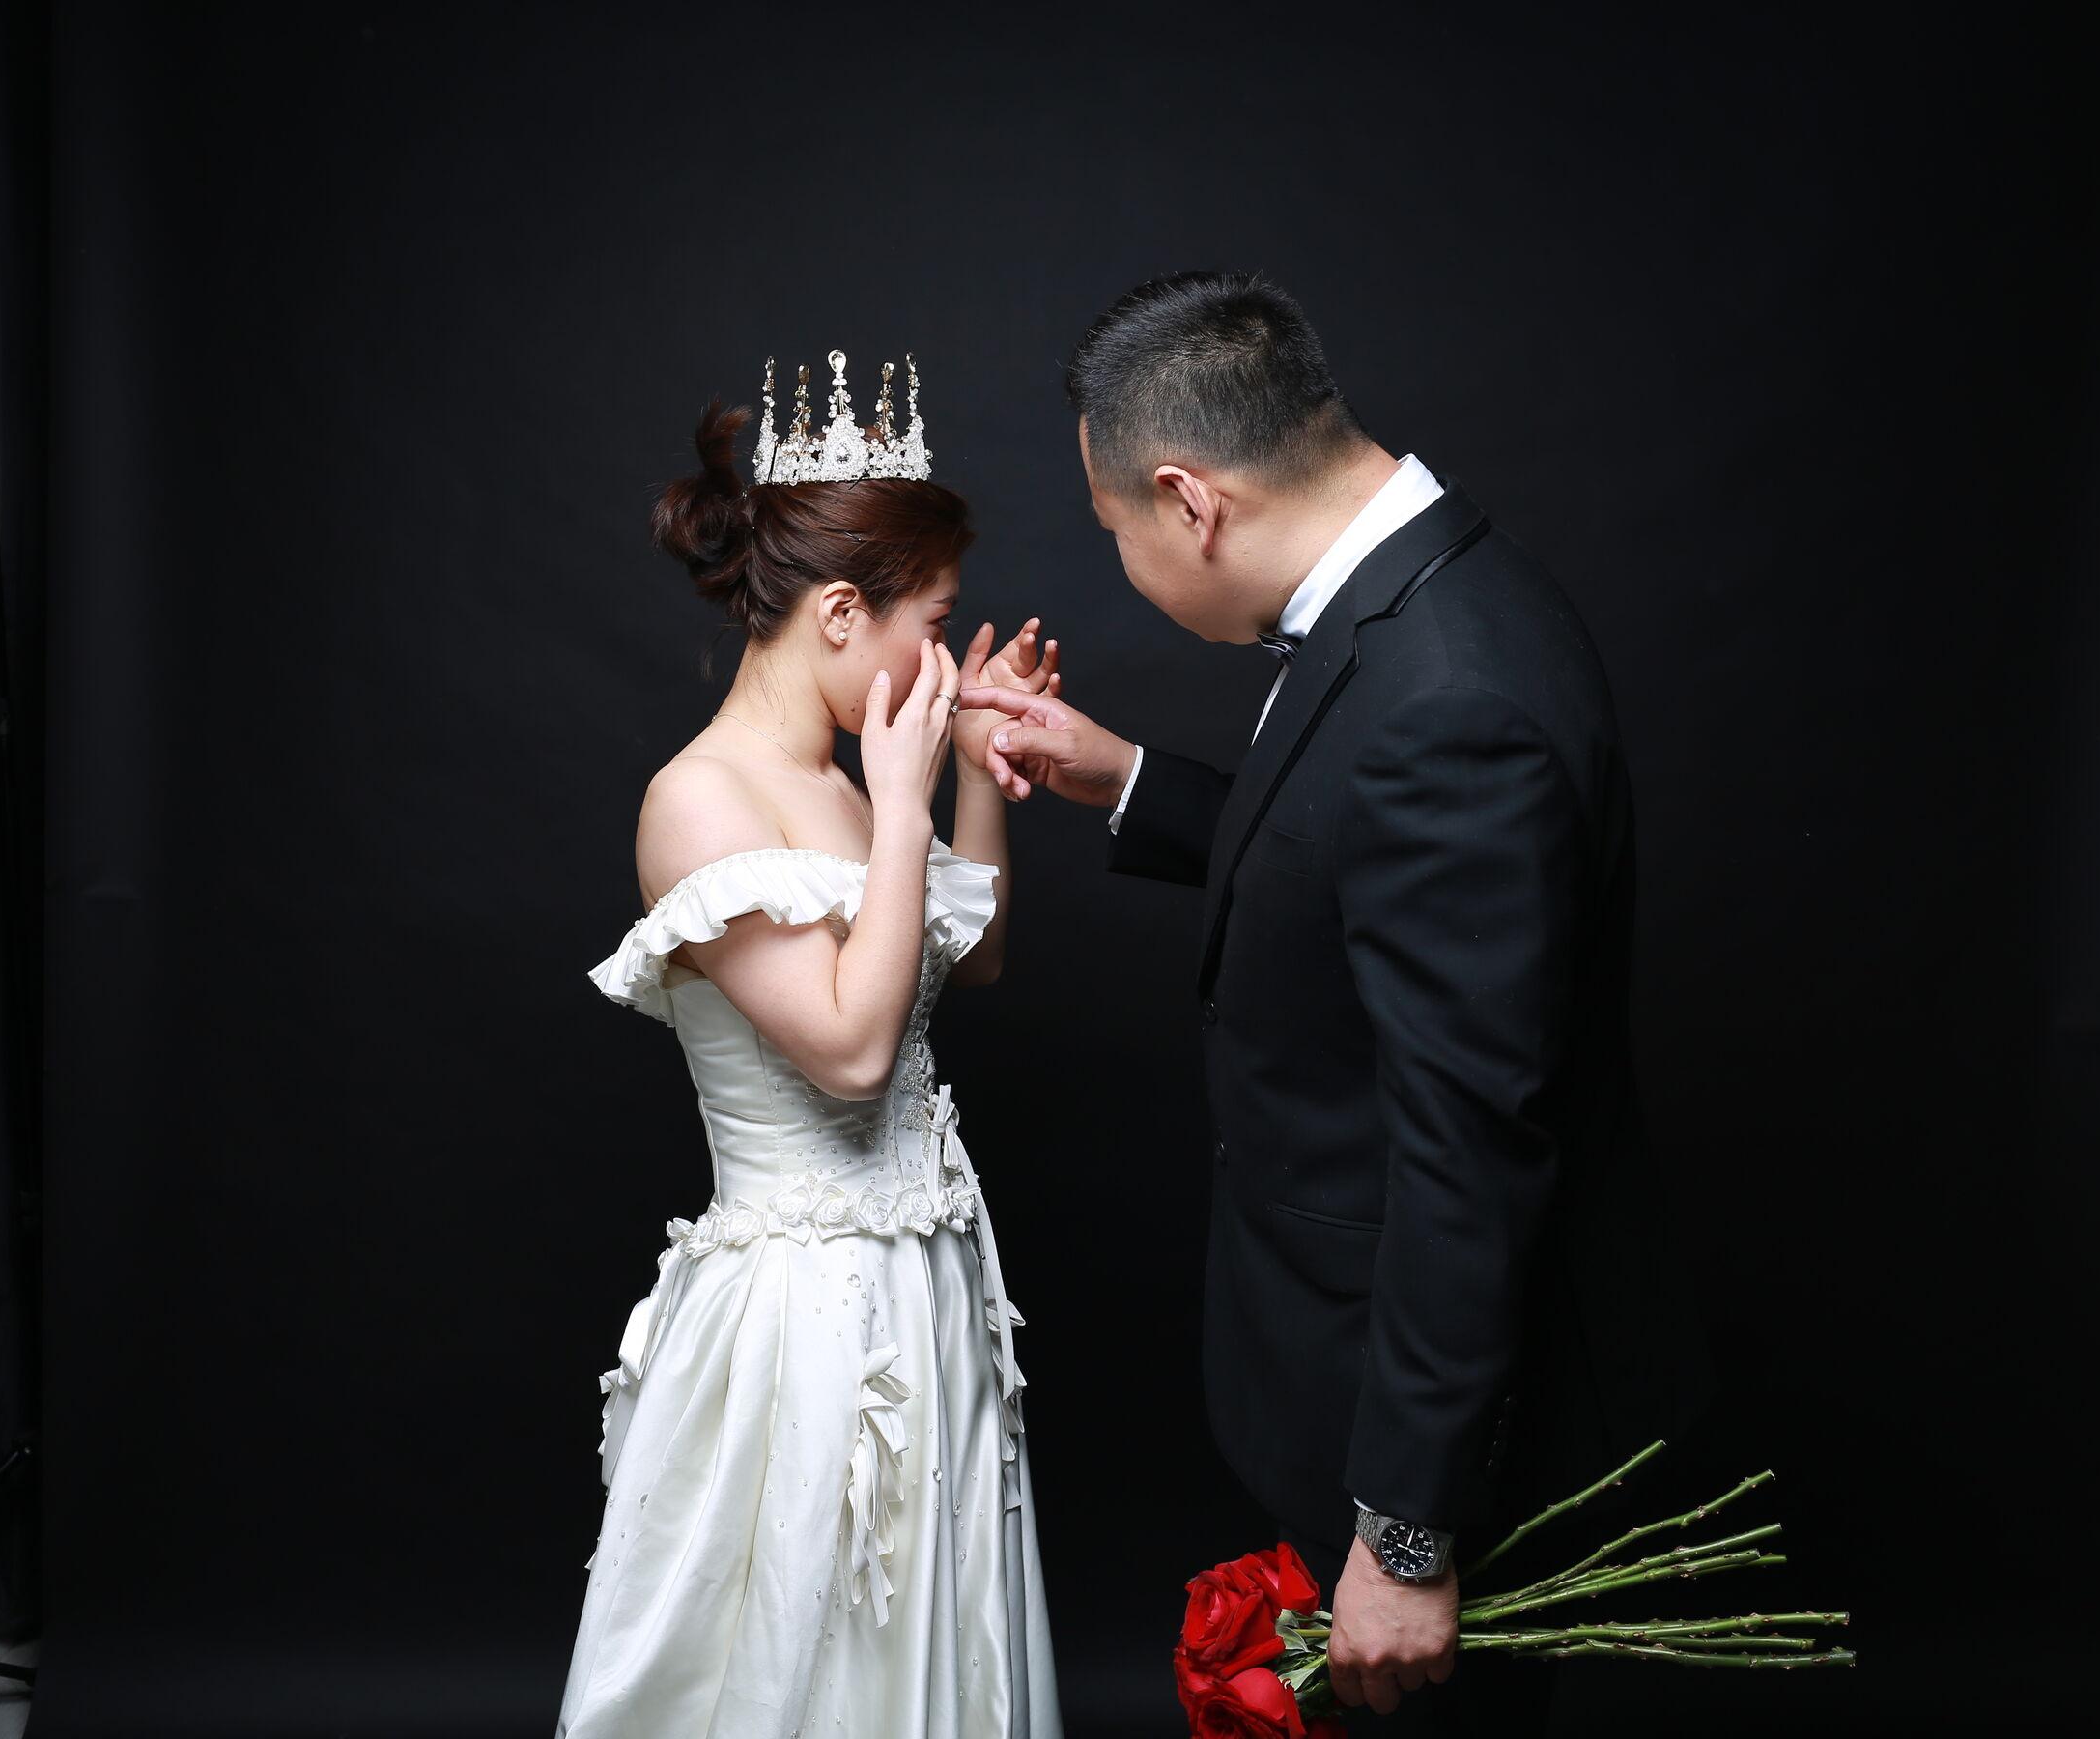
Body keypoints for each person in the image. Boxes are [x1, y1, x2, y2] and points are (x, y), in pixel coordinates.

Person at [962, 275, 1714, 1734]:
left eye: (1114, 531)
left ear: (1189, 500)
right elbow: (1359, 856)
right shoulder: (1427, 586)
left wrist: (1409, 1531)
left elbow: (1469, 1140)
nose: (1121, 562)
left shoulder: (1451, 695)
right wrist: (1125, 779)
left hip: (1441, 1430)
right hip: (1356, 1376)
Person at [555, 352, 1065, 1739]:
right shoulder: (699, 800)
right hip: (806, 1317)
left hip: (930, 1282)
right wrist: (902, 806)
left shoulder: (844, 780)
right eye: (934, 625)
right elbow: (850, 1051)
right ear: (843, 613)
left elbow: (966, 954)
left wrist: (971, 775)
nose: (943, 662)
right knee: (806, 1647)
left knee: (930, 1649)